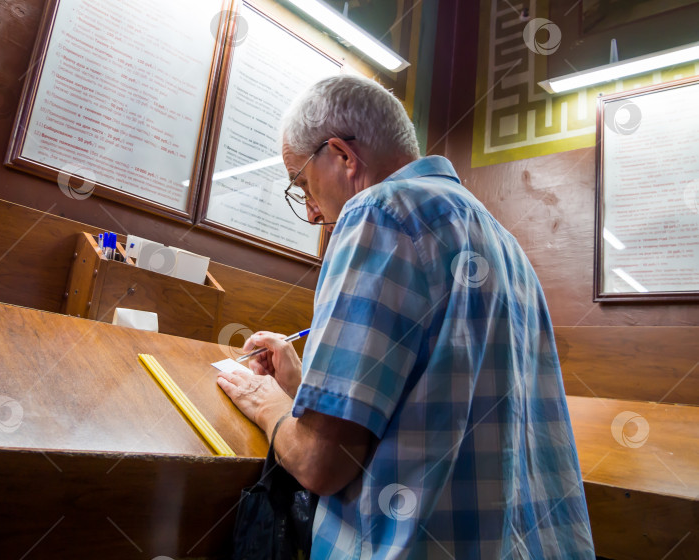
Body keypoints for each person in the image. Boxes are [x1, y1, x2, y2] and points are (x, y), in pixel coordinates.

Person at [216, 75, 594, 559]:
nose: (311, 213)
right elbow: (435, 405)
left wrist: (266, 401)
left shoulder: (379, 212)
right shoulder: (503, 242)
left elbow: (321, 463)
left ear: (343, 157)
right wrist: (302, 385)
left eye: (303, 184)